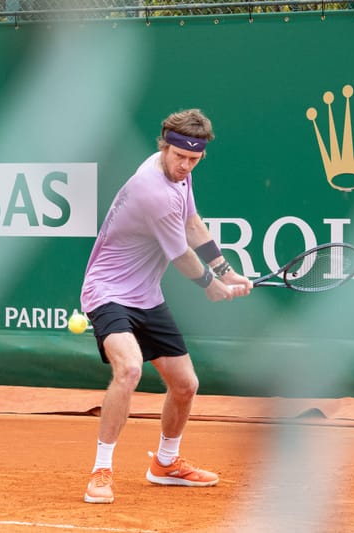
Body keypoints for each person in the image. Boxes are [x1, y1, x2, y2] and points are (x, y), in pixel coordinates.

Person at [79, 109, 253, 504]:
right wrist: (211, 285)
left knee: (186, 385)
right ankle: (101, 470)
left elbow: (193, 225)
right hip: (107, 291)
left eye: (194, 160)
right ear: (164, 146)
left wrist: (227, 271)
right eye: (179, 157)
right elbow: (181, 256)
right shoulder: (151, 189)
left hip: (146, 295)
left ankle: (166, 463)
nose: (185, 166)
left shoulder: (180, 174)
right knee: (130, 368)